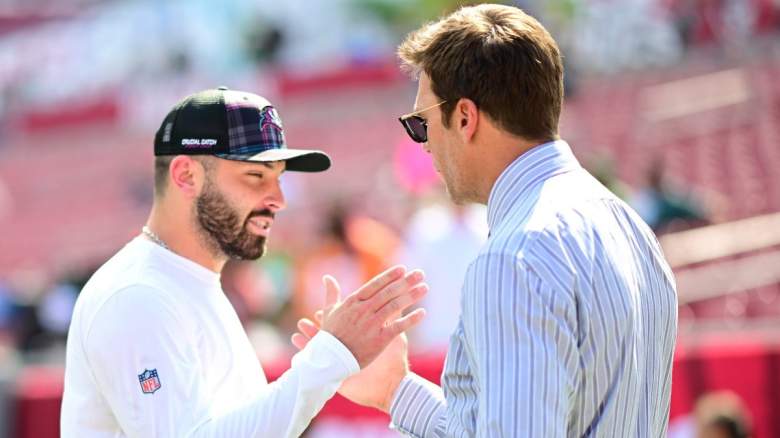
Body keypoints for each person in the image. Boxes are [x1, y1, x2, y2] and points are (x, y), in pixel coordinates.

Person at [292, 4, 678, 436]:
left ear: (464, 118)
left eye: (421, 124)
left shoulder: (514, 258)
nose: (423, 144)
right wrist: (394, 391)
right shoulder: (631, 227)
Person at [60, 87, 429, 437]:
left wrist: (334, 364)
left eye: (279, 178)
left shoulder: (189, 281)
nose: (277, 200)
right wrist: (331, 357)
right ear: (186, 176)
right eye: (255, 176)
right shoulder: (139, 295)